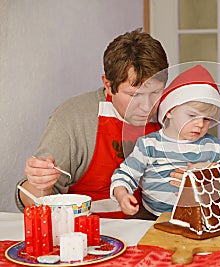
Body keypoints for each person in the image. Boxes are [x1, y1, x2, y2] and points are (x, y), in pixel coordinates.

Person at [15, 28, 169, 219]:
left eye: (155, 92)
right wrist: (40, 184)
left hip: (153, 230)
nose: (147, 106)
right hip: (86, 233)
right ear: (108, 85)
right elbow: (32, 199)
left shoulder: (173, 112)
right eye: (134, 95)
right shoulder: (73, 118)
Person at [110, 64, 220, 218]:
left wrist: (210, 172)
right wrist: (122, 195)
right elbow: (125, 174)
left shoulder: (213, 147)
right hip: (153, 216)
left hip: (200, 217)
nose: (200, 124)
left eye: (206, 119)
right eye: (192, 116)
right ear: (171, 110)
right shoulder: (149, 144)